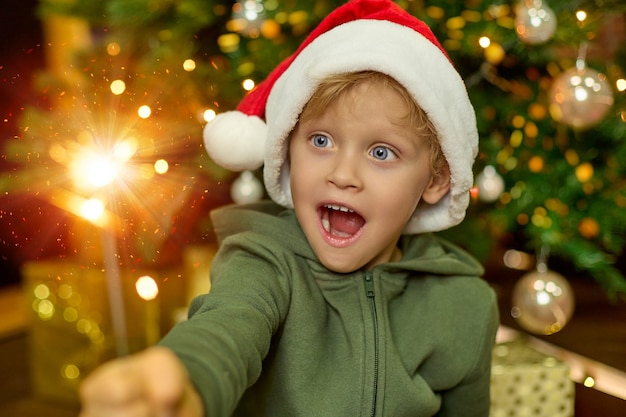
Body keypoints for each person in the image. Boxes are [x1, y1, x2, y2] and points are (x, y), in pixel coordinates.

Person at [79, 0, 499, 416]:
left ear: (436, 179)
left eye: (382, 152)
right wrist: (183, 383)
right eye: (321, 141)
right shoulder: (264, 264)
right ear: (287, 149)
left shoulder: (465, 305)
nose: (342, 173)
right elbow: (224, 332)